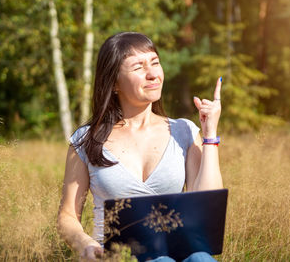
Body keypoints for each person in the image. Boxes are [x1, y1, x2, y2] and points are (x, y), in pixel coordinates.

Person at [57, 32, 223, 262]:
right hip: (118, 257)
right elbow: (67, 216)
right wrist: (84, 243)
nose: (153, 74)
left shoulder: (184, 131)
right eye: (139, 67)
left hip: (178, 253)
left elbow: (206, 207)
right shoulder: (86, 140)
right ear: (114, 83)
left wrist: (210, 135)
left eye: (155, 62)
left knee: (201, 258)